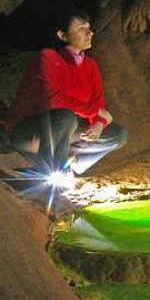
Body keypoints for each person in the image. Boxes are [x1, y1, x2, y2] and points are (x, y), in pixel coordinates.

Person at [5, 10, 127, 177]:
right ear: (63, 36)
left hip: (66, 131)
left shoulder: (90, 65)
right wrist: (96, 113)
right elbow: (55, 100)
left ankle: (73, 165)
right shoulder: (47, 58)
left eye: (89, 28)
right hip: (31, 132)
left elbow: (98, 102)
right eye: (81, 29)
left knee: (117, 134)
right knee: (66, 117)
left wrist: (99, 123)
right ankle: (53, 175)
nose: (89, 33)